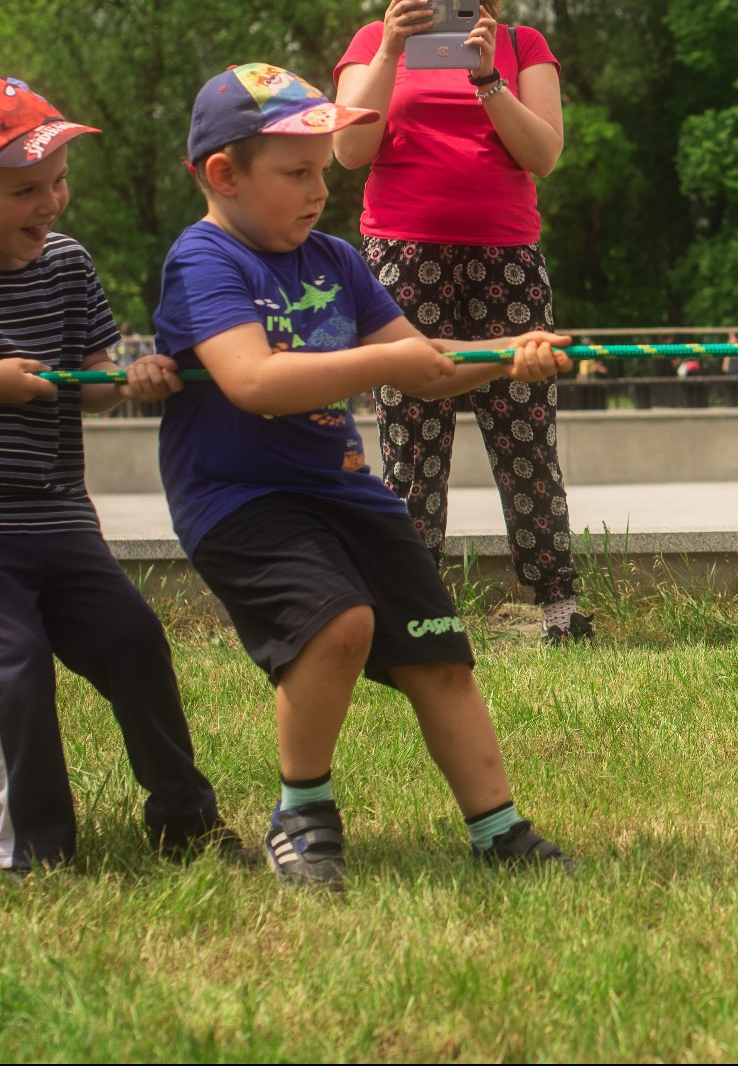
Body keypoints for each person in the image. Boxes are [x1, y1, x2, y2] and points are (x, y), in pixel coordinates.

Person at [156, 63, 577, 891]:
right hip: (239, 499)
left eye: (321, 171)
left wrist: (507, 357)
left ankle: (499, 829)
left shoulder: (337, 259)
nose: (320, 190)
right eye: (297, 173)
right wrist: (388, 358)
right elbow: (253, 382)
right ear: (223, 174)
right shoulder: (203, 261)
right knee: (338, 623)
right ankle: (301, 814)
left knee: (439, 651)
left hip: (343, 490)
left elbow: (423, 366)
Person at [0, 78, 253, 874]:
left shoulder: (68, 264)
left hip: (62, 518)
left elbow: (97, 380)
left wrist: (132, 379)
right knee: (19, 665)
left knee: (135, 640)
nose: (50, 205)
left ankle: (185, 819)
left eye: (58, 183)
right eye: (23, 192)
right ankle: (38, 851)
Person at [332, 0, 589, 644]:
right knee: (411, 438)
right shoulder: (371, 41)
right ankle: (416, 612)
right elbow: (349, 152)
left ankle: (560, 608)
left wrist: (488, 80)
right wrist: (387, 53)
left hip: (506, 256)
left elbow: (543, 154)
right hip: (401, 255)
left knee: (524, 428)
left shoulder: (520, 42)